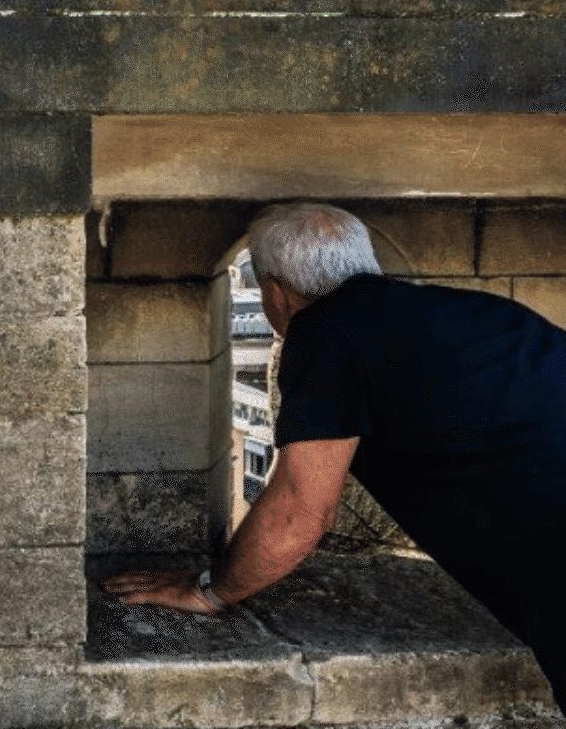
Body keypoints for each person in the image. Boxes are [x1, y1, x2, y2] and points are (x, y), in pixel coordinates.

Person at [105, 203, 566, 711]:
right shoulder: (478, 311)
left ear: (276, 290)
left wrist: (209, 593)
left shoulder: (325, 334)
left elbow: (300, 513)